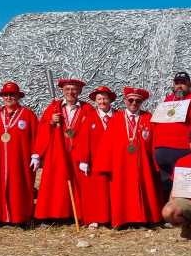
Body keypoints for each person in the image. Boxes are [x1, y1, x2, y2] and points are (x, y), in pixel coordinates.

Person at [93, 87, 162, 228]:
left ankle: (142, 219)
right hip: (121, 164)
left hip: (142, 164)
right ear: (125, 101)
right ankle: (122, 220)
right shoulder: (116, 118)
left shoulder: (148, 117)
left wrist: (157, 162)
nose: (134, 103)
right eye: (130, 100)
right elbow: (107, 143)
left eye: (138, 101)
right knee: (121, 190)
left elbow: (155, 141)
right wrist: (105, 165)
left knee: (143, 189)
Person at [32, 78, 97, 223]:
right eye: (67, 89)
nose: (70, 92)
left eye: (74, 89)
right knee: (55, 183)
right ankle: (52, 215)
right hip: (58, 150)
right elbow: (42, 127)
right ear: (62, 91)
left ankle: (76, 215)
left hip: (78, 152)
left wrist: (86, 156)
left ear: (79, 91)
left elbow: (92, 132)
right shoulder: (54, 108)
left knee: (77, 183)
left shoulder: (87, 109)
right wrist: (51, 121)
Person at [0, 82, 39, 225]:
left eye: (12, 94)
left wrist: (36, 155)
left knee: (19, 187)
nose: (9, 97)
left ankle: (19, 217)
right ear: (2, 97)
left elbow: (36, 136)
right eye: (6, 95)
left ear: (18, 96)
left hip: (20, 160)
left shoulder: (28, 115)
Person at [152, 71, 191, 195]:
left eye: (183, 83)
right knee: (165, 190)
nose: (179, 86)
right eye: (177, 83)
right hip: (162, 153)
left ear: (190, 84)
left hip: (185, 151)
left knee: (187, 190)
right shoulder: (167, 101)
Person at [80, 85, 117, 227]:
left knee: (113, 190)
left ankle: (114, 217)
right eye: (99, 99)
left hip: (115, 160)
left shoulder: (118, 116)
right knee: (98, 191)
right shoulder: (89, 118)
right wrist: (83, 160)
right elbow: (83, 139)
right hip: (96, 161)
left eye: (105, 98)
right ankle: (96, 218)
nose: (102, 102)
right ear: (96, 101)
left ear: (110, 100)